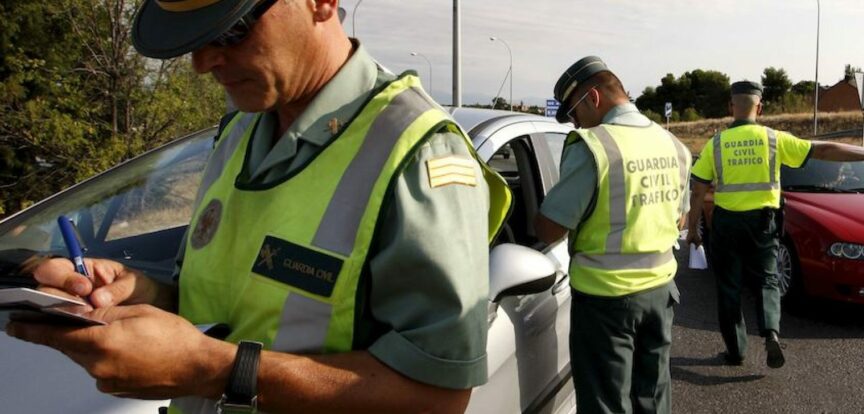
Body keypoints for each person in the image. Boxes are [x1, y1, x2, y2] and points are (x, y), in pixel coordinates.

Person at [5, 1, 511, 413]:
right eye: (195, 39)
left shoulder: (418, 153)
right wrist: (141, 290)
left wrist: (210, 369)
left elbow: (438, 397)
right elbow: (225, 302)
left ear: (322, 3)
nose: (204, 63)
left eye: (232, 30)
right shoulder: (242, 126)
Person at [685, 81, 864, 368]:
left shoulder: (717, 143)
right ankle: (771, 332)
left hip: (727, 224)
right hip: (763, 223)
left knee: (729, 287)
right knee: (767, 279)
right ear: (760, 108)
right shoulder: (774, 139)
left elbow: (698, 190)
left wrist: (692, 230)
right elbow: (825, 150)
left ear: (730, 107)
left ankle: (735, 351)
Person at [534, 56, 691, 414]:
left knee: (606, 402)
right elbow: (679, 221)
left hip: (606, 300)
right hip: (660, 294)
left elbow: (549, 227)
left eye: (574, 112)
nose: (575, 122)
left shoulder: (594, 147)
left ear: (593, 97)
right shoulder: (674, 145)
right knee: (652, 396)